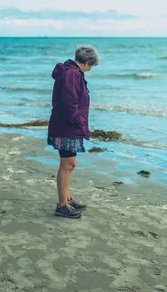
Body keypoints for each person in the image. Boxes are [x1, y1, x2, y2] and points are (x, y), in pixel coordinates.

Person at [47, 45, 100, 218]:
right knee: (67, 165)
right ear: (87, 62)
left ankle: (67, 199)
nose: (90, 69)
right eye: (91, 66)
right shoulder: (72, 73)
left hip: (67, 125)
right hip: (67, 126)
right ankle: (62, 205)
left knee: (70, 164)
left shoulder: (72, 72)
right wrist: (79, 121)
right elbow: (69, 103)